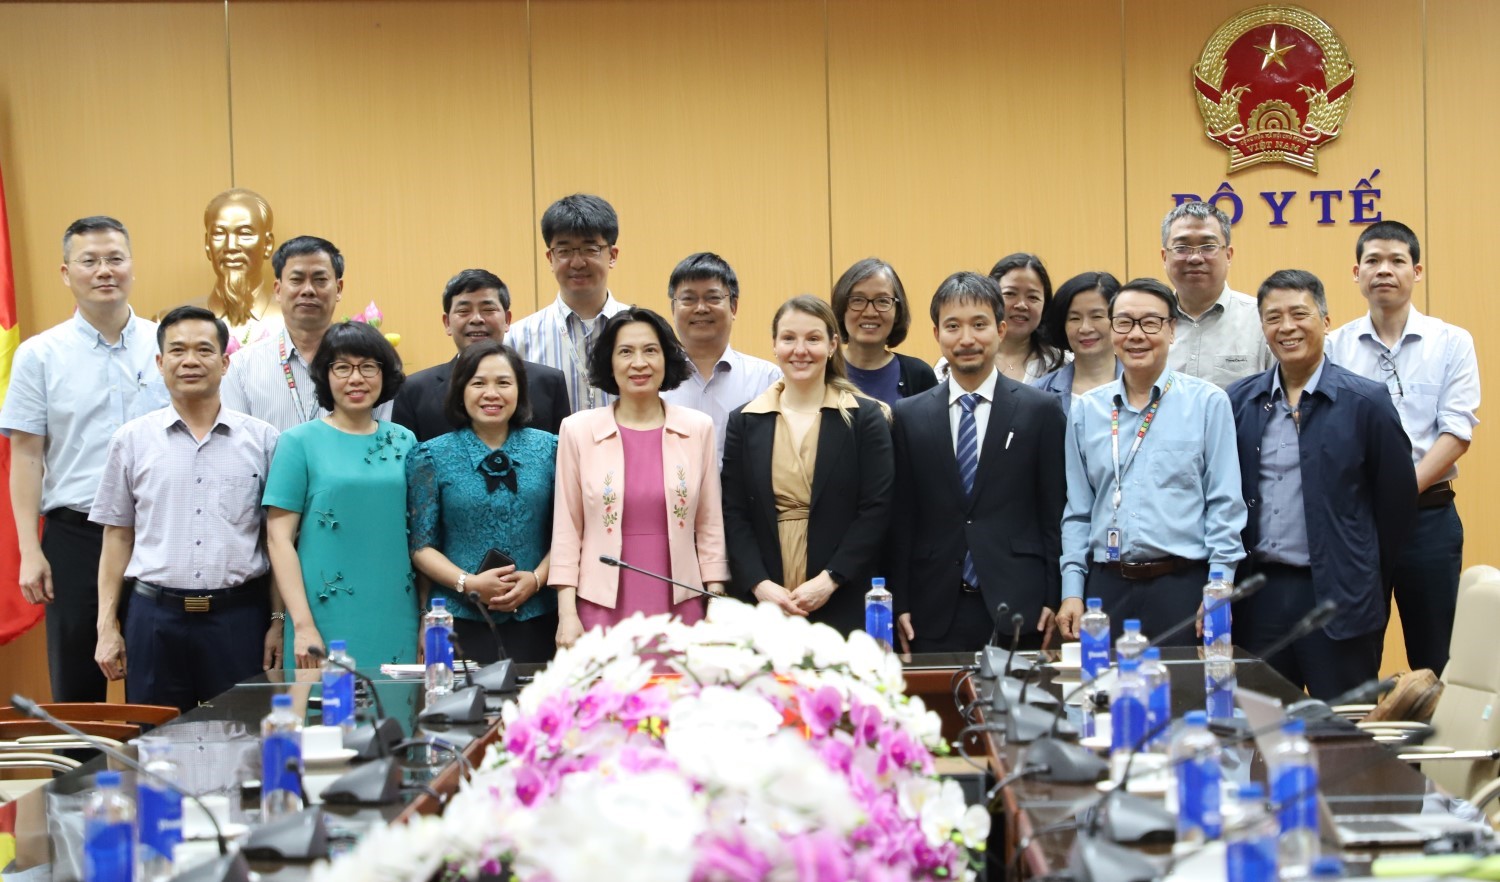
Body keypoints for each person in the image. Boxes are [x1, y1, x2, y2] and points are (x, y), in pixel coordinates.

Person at [1227, 271, 1416, 699]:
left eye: (1299, 314)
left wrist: (1359, 570)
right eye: (1273, 317)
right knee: (1265, 724)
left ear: (1326, 321)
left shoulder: (1366, 402)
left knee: (1344, 725)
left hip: (1338, 596)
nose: (1287, 327)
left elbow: (1397, 507)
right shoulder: (1239, 401)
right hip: (1259, 596)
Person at [1, 216, 166, 703]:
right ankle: (79, 759)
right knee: (77, 690)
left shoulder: (167, 345)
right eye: (89, 261)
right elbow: (26, 457)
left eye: (115, 259)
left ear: (132, 265)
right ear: (65, 272)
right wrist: (30, 549)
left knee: (156, 685)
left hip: (157, 534)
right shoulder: (39, 355)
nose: (104, 271)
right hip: (75, 536)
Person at [90, 307, 281, 710]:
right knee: (154, 738)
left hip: (239, 619)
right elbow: (117, 536)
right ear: (160, 363)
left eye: (204, 350)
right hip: (154, 619)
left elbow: (277, 540)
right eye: (177, 350)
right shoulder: (130, 441)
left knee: (243, 736)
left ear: (225, 363)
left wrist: (278, 622)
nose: (190, 360)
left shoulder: (263, 441)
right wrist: (107, 625)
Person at [1055, 278, 1247, 644]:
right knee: (1104, 682)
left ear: (1172, 329)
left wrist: (1220, 585)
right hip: (1105, 587)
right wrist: (1072, 591)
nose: (1136, 334)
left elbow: (1224, 504)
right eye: (1124, 322)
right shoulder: (1087, 410)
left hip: (1182, 586)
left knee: (1184, 682)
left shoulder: (1208, 403)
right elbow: (1078, 511)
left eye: (1150, 322)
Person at [1328, 221, 1480, 675]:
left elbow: (1457, 432)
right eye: (1372, 261)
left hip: (1428, 517)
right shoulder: (1333, 347)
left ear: (1417, 272)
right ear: (1356, 273)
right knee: (1353, 656)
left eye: (1397, 260)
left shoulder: (1451, 341)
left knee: (1436, 658)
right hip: (1357, 525)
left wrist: (1397, 493)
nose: (1384, 270)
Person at [889, 272, 1067, 653]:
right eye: (953, 326)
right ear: (937, 333)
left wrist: (1055, 596)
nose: (966, 338)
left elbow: (1053, 512)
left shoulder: (1041, 410)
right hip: (931, 604)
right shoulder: (908, 415)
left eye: (979, 324)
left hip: (1021, 602)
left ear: (1001, 329)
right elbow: (902, 518)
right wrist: (898, 601)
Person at [550, 308, 727, 647]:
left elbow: (710, 525)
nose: (639, 363)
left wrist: (715, 602)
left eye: (650, 350)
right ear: (609, 362)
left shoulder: (697, 428)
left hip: (682, 603)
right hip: (600, 605)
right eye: (625, 352)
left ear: (666, 359)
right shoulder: (578, 430)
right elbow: (567, 529)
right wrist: (567, 614)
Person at [720, 295, 893, 636]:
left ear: (832, 345)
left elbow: (877, 509)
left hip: (843, 592)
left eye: (813, 339)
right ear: (774, 345)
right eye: (789, 338)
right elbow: (733, 512)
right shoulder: (744, 420)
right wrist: (759, 584)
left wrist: (830, 580)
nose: (800, 350)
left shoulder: (866, 418)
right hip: (765, 601)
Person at [263, 322, 417, 668]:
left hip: (396, 611)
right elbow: (278, 539)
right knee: (324, 703)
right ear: (325, 375)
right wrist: (301, 624)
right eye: (343, 367)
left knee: (395, 700)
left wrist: (425, 615)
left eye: (368, 367)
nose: (356, 378)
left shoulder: (405, 440)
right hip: (320, 615)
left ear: (384, 374)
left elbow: (420, 536)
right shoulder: (297, 442)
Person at [407, 341, 559, 664]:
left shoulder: (552, 449)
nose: (492, 394)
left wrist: (536, 579)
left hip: (537, 616)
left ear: (520, 390)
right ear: (461, 390)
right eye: (478, 383)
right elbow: (421, 546)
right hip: (458, 619)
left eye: (503, 383)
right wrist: (469, 583)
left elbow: (569, 532)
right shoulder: (430, 455)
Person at [223, 236, 392, 429]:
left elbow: (383, 438)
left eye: (320, 280)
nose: (308, 290)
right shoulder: (241, 368)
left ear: (338, 289)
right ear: (278, 290)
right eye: (296, 280)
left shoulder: (372, 366)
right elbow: (237, 441)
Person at [392, 268, 570, 441]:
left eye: (488, 309)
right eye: (464, 311)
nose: (477, 319)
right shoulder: (414, 390)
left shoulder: (549, 383)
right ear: (447, 323)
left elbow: (562, 455)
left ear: (507, 320)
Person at [507, 194, 631, 414]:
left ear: (612, 255)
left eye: (590, 249)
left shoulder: (642, 330)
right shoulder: (517, 339)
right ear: (550, 258)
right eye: (564, 251)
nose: (577, 263)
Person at [659, 252, 780, 459]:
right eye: (688, 299)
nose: (701, 308)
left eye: (713, 298)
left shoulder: (768, 379)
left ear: (733, 307)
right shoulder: (655, 381)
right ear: (673, 308)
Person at [1160, 201, 1273, 387]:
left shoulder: (1261, 320)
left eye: (1208, 246)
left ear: (1228, 255)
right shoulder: (1149, 324)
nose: (1195, 258)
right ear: (1165, 257)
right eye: (1182, 248)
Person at [830, 257, 938, 405]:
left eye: (882, 301)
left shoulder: (919, 376)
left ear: (897, 312)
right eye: (858, 300)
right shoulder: (823, 372)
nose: (870, 313)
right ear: (841, 308)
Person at [1032, 271, 1124, 412]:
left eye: (1097, 316)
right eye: (1074, 318)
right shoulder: (1040, 392)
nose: (1085, 328)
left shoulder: (1145, 385)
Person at [202, 188, 279, 347]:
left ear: (267, 245)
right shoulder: (169, 324)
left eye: (245, 234)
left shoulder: (298, 324)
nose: (231, 246)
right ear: (207, 244)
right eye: (219, 233)